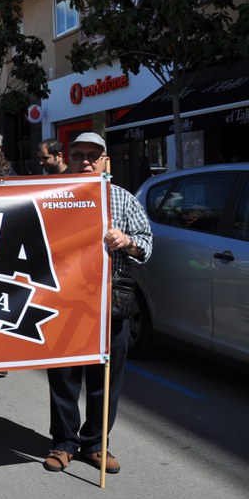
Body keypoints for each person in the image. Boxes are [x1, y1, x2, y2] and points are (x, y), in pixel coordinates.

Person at [43, 132, 152, 475]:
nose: (86, 161)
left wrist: (127, 240)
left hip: (110, 304)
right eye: (78, 155)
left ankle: (95, 444)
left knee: (105, 379)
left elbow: (147, 245)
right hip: (63, 303)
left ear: (105, 160)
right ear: (69, 159)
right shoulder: (49, 197)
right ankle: (64, 443)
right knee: (64, 376)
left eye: (94, 155)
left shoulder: (123, 200)